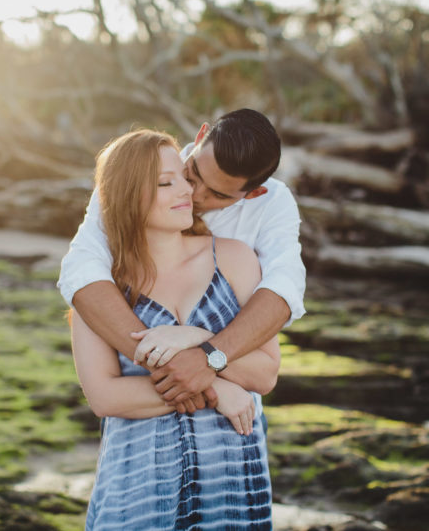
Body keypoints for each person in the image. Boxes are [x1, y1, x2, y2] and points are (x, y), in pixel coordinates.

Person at [71, 129, 280, 528]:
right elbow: (105, 396)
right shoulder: (100, 287)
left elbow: (265, 373)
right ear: (129, 194)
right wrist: (217, 388)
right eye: (167, 182)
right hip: (137, 493)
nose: (188, 190)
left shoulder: (233, 259)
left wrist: (199, 341)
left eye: (184, 177)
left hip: (231, 487)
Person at [59, 108, 306, 413]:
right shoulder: (141, 173)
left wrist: (206, 355)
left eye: (217, 194)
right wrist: (195, 376)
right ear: (200, 136)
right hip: (166, 413)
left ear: (254, 193)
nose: (194, 193)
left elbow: (283, 289)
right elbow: (81, 269)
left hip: (238, 412)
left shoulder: (271, 207)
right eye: (194, 173)